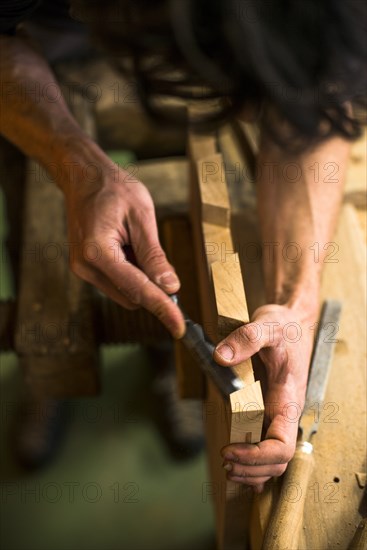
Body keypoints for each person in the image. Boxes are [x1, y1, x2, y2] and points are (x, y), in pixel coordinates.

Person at [0, 0, 365, 492]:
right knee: (42, 259)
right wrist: (76, 167)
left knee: (168, 220)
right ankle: (47, 378)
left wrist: (297, 304)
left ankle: (166, 358)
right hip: (33, 33)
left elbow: (313, 103)